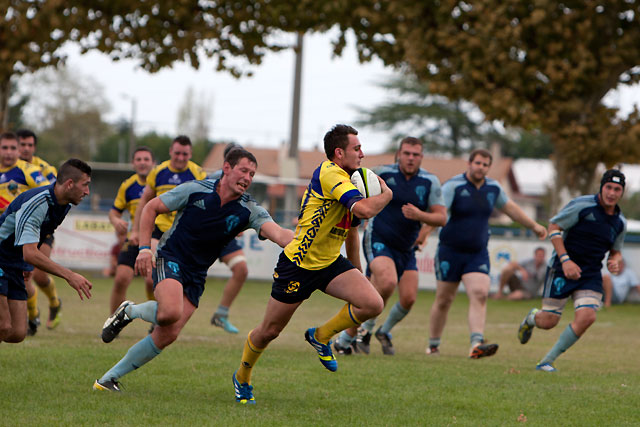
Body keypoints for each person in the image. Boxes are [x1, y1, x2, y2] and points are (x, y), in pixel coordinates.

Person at [93, 148, 293, 392]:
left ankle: (107, 380)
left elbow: (280, 234)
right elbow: (150, 208)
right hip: (171, 258)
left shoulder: (249, 209)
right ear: (227, 168)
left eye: (252, 173)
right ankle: (130, 311)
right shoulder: (196, 189)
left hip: (197, 274)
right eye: (243, 170)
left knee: (169, 334)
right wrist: (145, 249)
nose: (248, 178)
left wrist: (305, 238)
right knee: (169, 313)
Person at [231, 124, 392, 405]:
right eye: (357, 148)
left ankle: (320, 336)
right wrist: (387, 195)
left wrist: (357, 270)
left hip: (329, 264)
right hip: (299, 264)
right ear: (339, 152)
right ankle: (242, 377)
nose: (362, 154)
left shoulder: (350, 180)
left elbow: (353, 229)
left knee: (373, 303)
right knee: (269, 331)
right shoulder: (330, 173)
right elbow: (365, 210)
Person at [428, 148, 547, 358]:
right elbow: (439, 214)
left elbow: (511, 209)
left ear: (488, 168)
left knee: (480, 294)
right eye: (477, 163)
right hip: (450, 251)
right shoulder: (453, 186)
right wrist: (423, 234)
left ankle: (476, 343)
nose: (481, 167)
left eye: (485, 165)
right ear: (469, 164)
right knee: (444, 299)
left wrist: (534, 226)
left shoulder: (493, 188)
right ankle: (434, 344)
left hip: (477, 252)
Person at [334, 136, 446, 355]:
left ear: (421, 157)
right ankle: (351, 335)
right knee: (386, 282)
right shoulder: (382, 174)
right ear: (399, 154)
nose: (411, 158)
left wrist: (419, 215)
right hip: (379, 239)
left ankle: (379, 331)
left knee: (409, 298)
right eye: (407, 153)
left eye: (415, 154)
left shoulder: (429, 181)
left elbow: (441, 218)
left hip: (407, 248)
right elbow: (354, 180)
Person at [518, 169, 626, 372]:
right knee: (549, 321)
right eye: (608, 187)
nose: (612, 192)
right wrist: (566, 260)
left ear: (622, 192)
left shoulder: (620, 223)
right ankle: (532, 318)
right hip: (561, 268)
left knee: (587, 317)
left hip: (590, 274)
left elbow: (616, 251)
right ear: (602, 187)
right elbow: (553, 227)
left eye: (617, 189)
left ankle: (546, 361)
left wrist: (614, 261)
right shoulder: (582, 206)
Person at [0, 159, 93, 344]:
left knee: (18, 332)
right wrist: (69, 275)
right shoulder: (37, 203)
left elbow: (38, 238)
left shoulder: (63, 205)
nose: (87, 192)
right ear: (69, 184)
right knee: (3, 326)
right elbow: (30, 252)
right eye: (85, 185)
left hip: (14, 264)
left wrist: (25, 264)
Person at [0, 131, 50, 336]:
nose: (10, 152)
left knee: (16, 333)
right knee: (4, 325)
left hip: (18, 240)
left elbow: (48, 195)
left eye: (14, 148)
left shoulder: (29, 171)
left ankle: (34, 315)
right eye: (5, 148)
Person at [129, 135, 206, 260]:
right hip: (159, 229)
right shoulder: (158, 172)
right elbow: (144, 201)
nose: (180, 158)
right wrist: (135, 230)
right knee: (151, 271)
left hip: (185, 230)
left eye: (185, 154)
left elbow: (206, 204)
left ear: (190, 154)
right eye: (177, 153)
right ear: (170, 151)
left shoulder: (198, 174)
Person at [107, 147, 156, 314]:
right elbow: (114, 212)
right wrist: (116, 220)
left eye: (146, 159)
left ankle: (157, 319)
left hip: (156, 239)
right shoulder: (128, 186)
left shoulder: (161, 183)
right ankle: (113, 322)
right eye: (139, 159)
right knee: (120, 279)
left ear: (153, 163)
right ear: (133, 163)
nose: (142, 162)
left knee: (151, 281)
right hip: (134, 238)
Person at [208, 143, 250, 334]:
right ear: (227, 164)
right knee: (187, 276)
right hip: (205, 235)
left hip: (224, 236)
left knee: (241, 269)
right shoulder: (210, 181)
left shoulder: (243, 181)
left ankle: (221, 315)